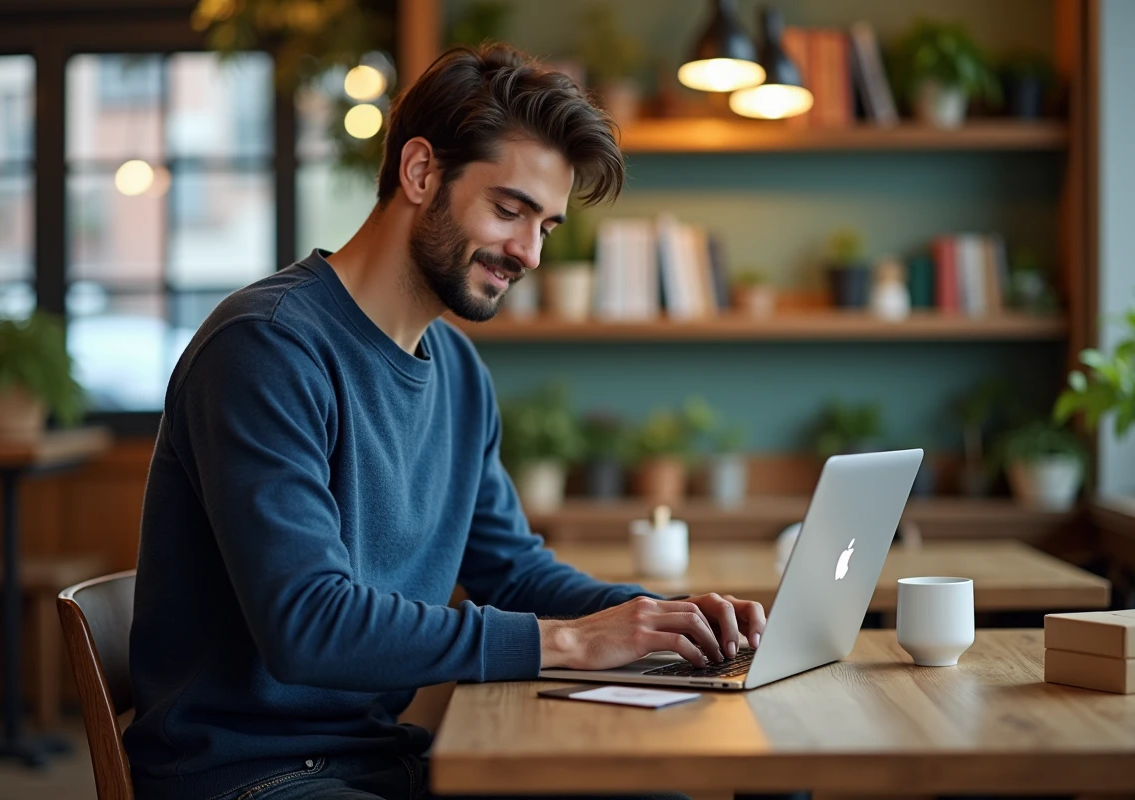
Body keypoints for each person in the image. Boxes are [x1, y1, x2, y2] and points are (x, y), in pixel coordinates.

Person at [125, 43, 766, 800]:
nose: (528, 253)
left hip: (382, 760)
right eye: (508, 210)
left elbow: (513, 571)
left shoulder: (458, 373)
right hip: (251, 776)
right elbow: (305, 624)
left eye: (547, 227)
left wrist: (657, 618)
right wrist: (566, 640)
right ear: (421, 172)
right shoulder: (266, 346)